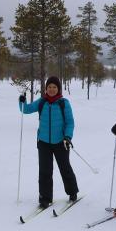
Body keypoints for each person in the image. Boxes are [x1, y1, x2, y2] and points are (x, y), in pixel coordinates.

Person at [18, 76, 79, 208]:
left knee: (65, 168)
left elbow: (70, 122)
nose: (51, 89)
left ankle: (72, 192)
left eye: (54, 87)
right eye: (49, 87)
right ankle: (45, 198)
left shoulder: (64, 103)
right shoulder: (42, 102)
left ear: (58, 89)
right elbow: (26, 109)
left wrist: (68, 137)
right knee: (45, 171)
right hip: (44, 142)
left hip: (61, 142)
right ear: (46, 89)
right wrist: (22, 102)